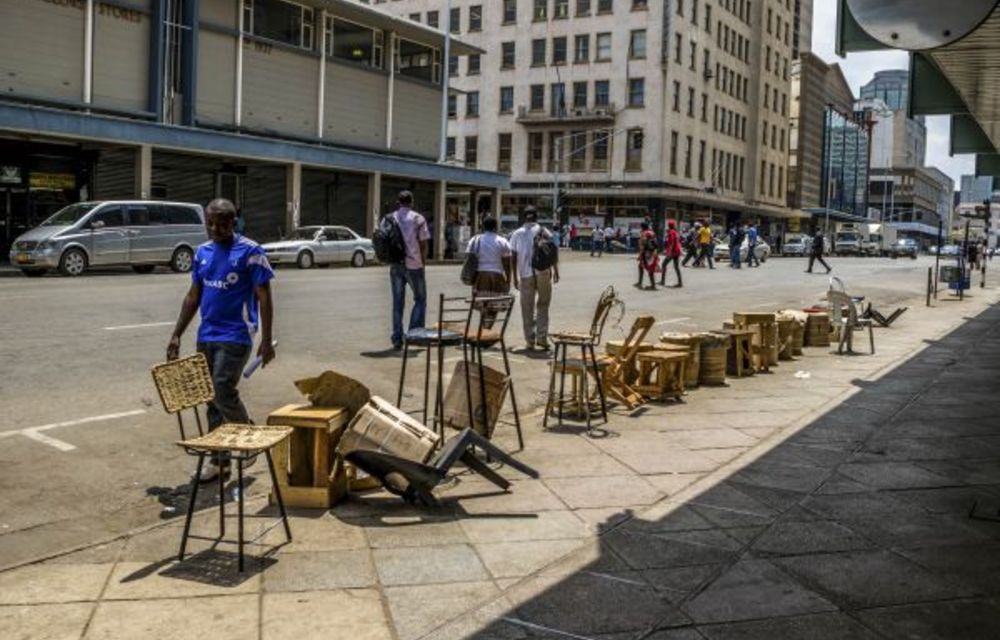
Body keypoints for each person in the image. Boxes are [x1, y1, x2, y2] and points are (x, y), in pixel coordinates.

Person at [166, 198, 275, 482]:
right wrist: (177, 334)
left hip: (237, 335)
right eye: (210, 223)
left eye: (222, 224)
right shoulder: (202, 253)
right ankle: (218, 461)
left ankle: (247, 435)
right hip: (207, 334)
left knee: (221, 387)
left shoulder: (250, 252)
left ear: (234, 222)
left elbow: (264, 295)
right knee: (210, 400)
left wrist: (267, 340)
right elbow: (193, 296)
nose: (215, 228)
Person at [510, 207, 559, 350]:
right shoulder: (544, 231)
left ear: (524, 218)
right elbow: (552, 252)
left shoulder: (517, 234)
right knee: (543, 304)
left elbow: (513, 257)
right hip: (543, 272)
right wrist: (555, 271)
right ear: (537, 218)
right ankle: (542, 337)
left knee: (527, 307)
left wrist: (514, 277)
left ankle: (530, 340)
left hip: (525, 275)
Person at [386, 191, 430, 350]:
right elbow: (423, 243)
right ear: (412, 202)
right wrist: (423, 262)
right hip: (414, 265)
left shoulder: (390, 217)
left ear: (398, 202)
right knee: (420, 299)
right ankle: (415, 334)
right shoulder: (418, 218)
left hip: (396, 265)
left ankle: (397, 338)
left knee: (397, 303)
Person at [467, 215, 512, 298]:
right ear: (496, 227)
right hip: (497, 277)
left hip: (480, 277)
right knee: (495, 304)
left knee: (482, 303)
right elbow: (507, 265)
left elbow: (469, 258)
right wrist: (508, 281)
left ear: (483, 227)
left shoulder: (474, 240)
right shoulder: (502, 241)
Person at [659, 220, 683, 288]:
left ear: (669, 225)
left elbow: (671, 243)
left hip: (673, 251)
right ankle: (680, 282)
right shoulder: (675, 232)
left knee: (664, 264)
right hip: (677, 251)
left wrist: (668, 252)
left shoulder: (671, 232)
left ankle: (662, 281)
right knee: (676, 267)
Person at [636, 221, 658, 290]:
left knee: (649, 269)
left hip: (647, 253)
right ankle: (640, 282)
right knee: (641, 266)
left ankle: (653, 285)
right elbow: (656, 244)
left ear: (642, 227)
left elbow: (643, 245)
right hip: (653, 252)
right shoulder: (652, 232)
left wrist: (640, 255)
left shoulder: (644, 233)